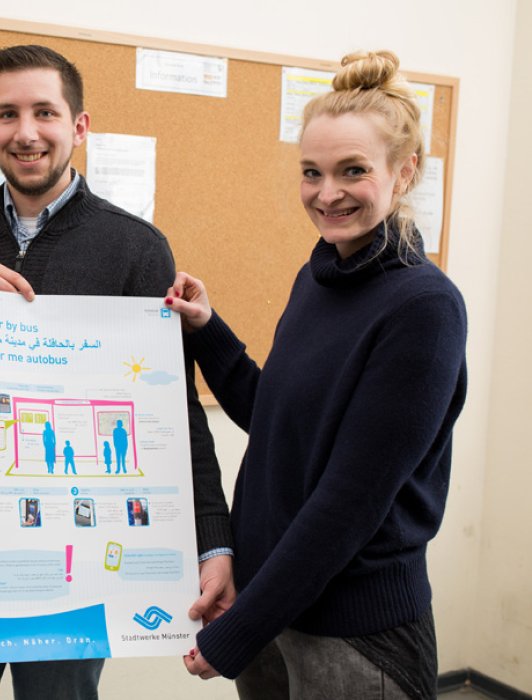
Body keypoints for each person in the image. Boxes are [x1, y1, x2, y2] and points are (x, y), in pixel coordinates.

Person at [0, 44, 235, 700]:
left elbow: (174, 412)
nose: (27, 132)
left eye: (46, 111)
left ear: (79, 126)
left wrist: (214, 542)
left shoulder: (136, 248)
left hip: (82, 560)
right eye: (7, 114)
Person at [166, 51, 468, 699]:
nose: (327, 193)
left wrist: (238, 629)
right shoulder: (319, 276)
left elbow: (348, 503)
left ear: (404, 171)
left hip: (356, 634)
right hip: (277, 608)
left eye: (352, 171)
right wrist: (207, 329)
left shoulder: (425, 309)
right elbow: (277, 419)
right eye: (312, 172)